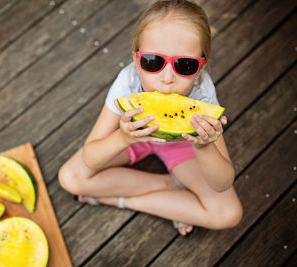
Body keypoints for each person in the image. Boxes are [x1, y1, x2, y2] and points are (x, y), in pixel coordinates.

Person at [58, 0, 242, 236]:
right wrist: (124, 138)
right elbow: (91, 157)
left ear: (200, 67)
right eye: (153, 62)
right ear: (136, 59)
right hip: (135, 136)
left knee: (229, 214)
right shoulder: (128, 82)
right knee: (70, 177)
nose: (167, 78)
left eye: (184, 65)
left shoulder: (203, 94)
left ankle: (117, 200)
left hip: (184, 144)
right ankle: (171, 187)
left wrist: (205, 146)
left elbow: (222, 182)